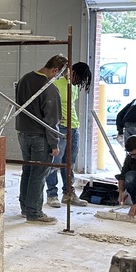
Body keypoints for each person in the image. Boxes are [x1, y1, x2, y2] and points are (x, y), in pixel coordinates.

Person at [15, 55, 68, 224]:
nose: (58, 78)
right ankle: (34, 212)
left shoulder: (25, 79)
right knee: (39, 174)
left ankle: (25, 207)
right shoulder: (49, 88)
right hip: (40, 136)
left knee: (29, 171)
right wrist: (54, 144)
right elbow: (52, 120)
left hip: (23, 133)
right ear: (55, 70)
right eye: (59, 75)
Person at [46, 62, 93, 208]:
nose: (78, 83)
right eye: (78, 78)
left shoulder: (73, 87)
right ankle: (52, 195)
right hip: (59, 127)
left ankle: (68, 193)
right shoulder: (55, 84)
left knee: (69, 163)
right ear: (71, 72)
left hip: (73, 127)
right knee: (55, 163)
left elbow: (70, 106)